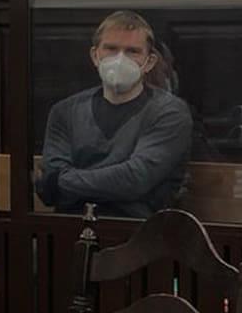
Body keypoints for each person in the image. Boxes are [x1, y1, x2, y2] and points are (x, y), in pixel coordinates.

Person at [36, 11, 192, 218]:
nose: (120, 59)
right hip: (71, 227)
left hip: (139, 232)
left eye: (132, 51)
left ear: (149, 62)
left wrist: (63, 182)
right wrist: (111, 186)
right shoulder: (64, 111)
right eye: (111, 49)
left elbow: (135, 180)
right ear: (95, 55)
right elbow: (48, 190)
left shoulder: (169, 112)